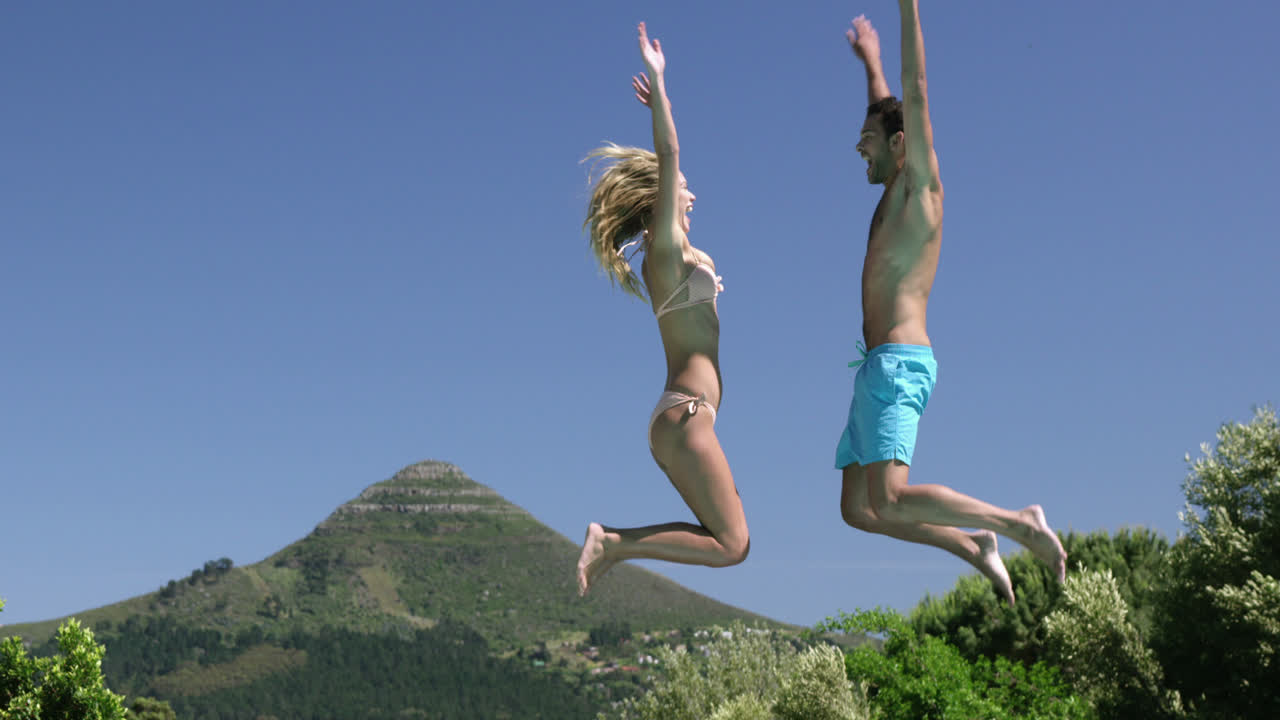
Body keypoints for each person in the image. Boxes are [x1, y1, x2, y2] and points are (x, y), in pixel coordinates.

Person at [837, 4, 1066, 605]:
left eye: (867, 142)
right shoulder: (892, 179)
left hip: (900, 364)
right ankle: (973, 546)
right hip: (874, 368)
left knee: (889, 497)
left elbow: (913, 92)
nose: (857, 148)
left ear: (901, 145)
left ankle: (1017, 522)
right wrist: (872, 62)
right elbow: (889, 106)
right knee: (858, 510)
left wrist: (907, 10)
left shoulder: (920, 188)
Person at [576, 22, 749, 597]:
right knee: (734, 543)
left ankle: (616, 544)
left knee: (730, 540)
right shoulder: (667, 252)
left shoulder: (667, 258)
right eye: (683, 189)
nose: (692, 195)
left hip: (684, 418)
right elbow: (670, 153)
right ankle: (614, 543)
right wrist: (660, 82)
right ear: (663, 200)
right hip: (687, 414)